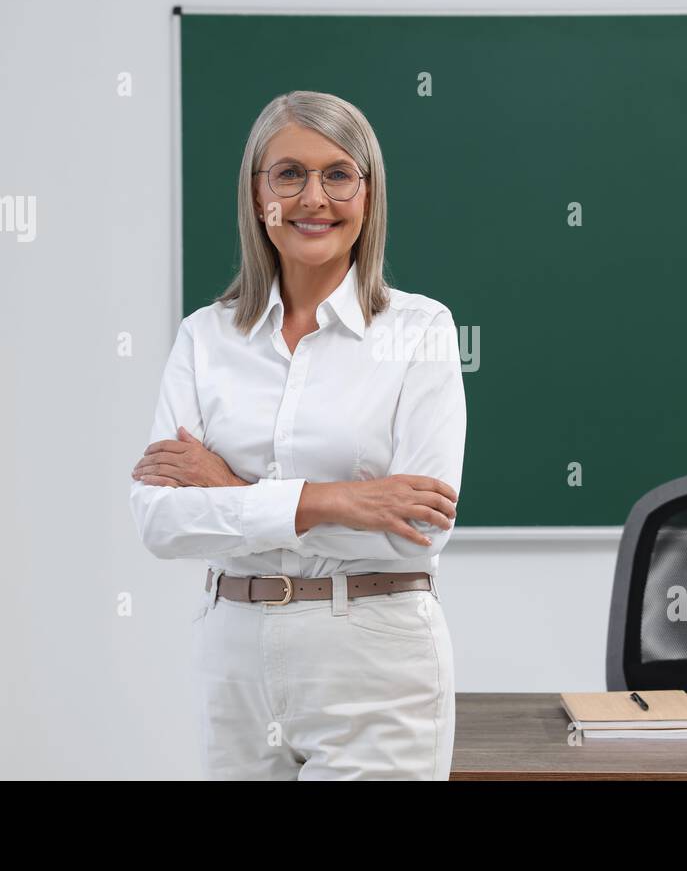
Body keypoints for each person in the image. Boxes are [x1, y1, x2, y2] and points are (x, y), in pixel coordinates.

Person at [129, 90, 466, 780]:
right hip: (235, 664)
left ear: (368, 194)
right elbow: (161, 522)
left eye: (338, 174)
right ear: (259, 197)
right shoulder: (204, 338)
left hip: (374, 662)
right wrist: (337, 500)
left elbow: (415, 530)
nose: (314, 198)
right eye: (289, 174)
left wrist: (228, 488)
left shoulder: (420, 331)